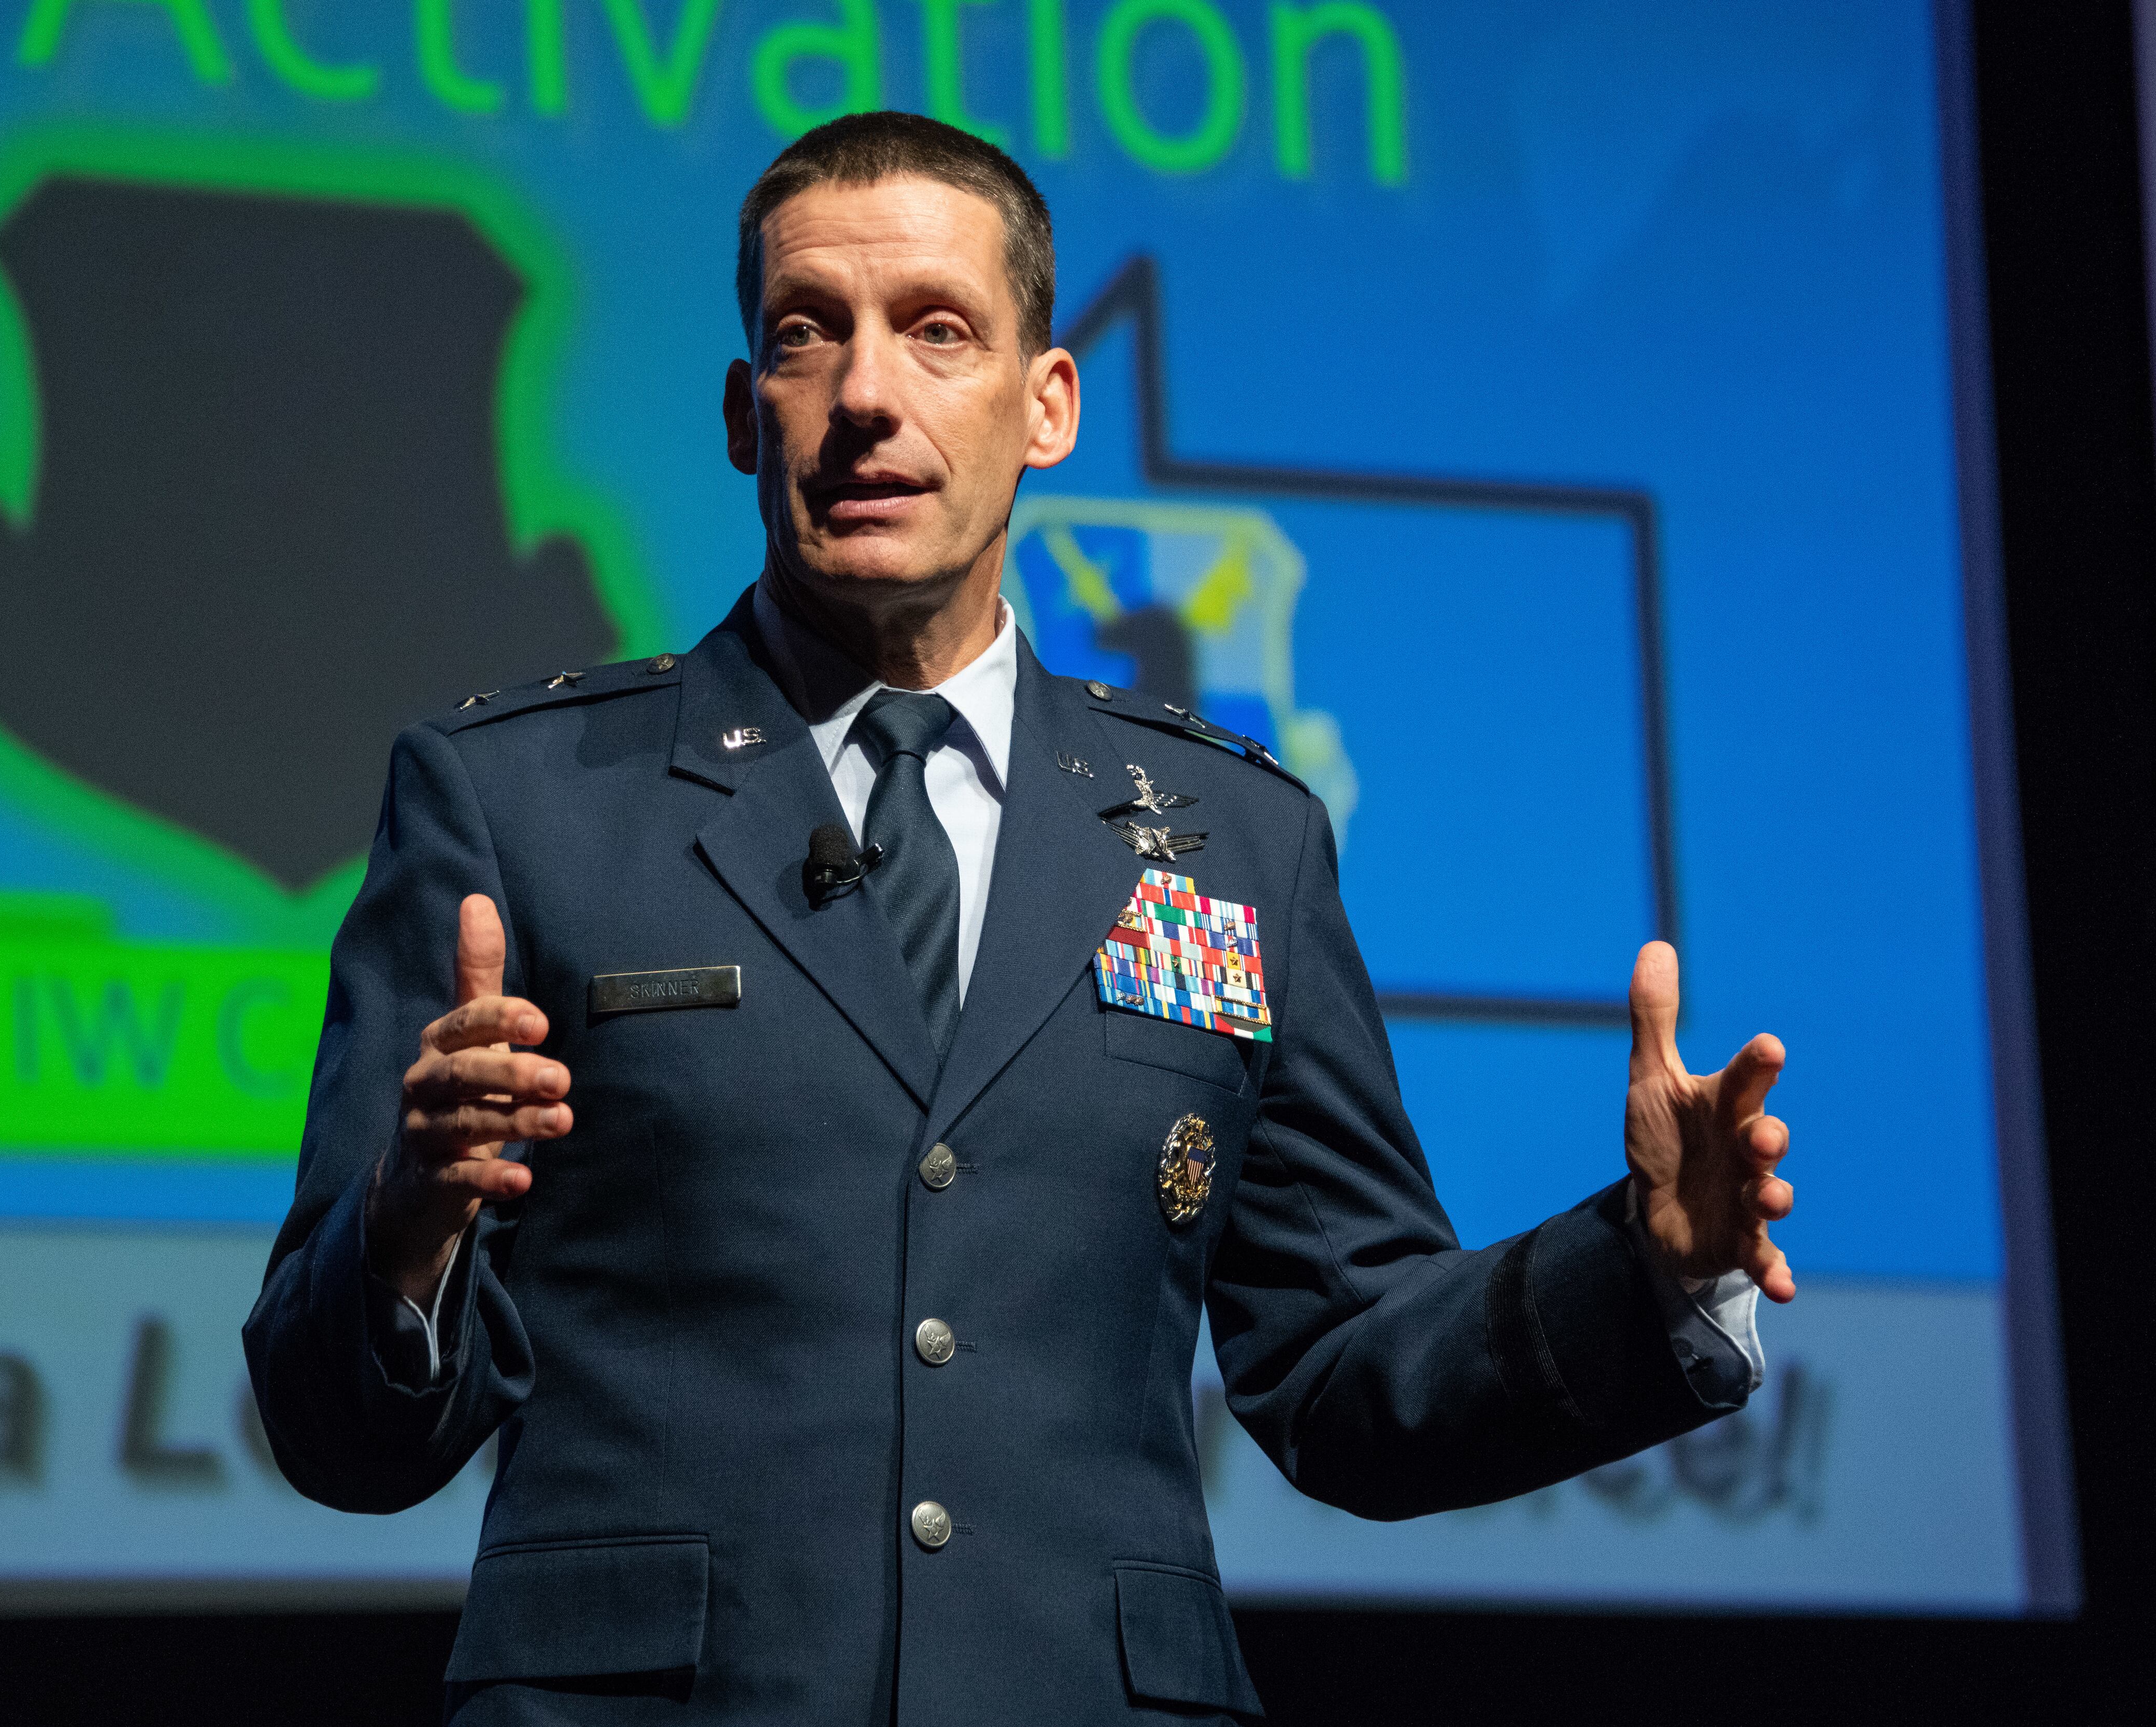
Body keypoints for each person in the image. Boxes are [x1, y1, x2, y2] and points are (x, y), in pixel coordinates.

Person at [245, 111, 1794, 1724]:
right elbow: (333, 1432)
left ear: (1045, 405)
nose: (865, 397)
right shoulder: (524, 805)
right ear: (739, 413)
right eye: (804, 336)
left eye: (937, 332)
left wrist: (1651, 1272)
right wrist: (411, 1228)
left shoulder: (1239, 841)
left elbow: (1343, 1371)